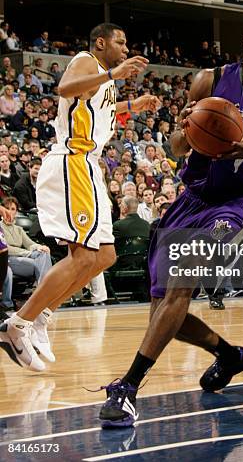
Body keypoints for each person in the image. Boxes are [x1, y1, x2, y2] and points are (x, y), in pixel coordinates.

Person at [98, 11, 243, 428]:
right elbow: (179, 146)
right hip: (190, 198)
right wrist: (185, 132)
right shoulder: (209, 80)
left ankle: (127, 388)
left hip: (237, 205)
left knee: (180, 284)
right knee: (164, 311)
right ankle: (230, 355)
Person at [0, 23, 160, 372]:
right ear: (101, 42)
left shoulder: (103, 78)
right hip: (72, 161)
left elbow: (99, 109)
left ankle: (41, 316)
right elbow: (65, 88)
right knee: (83, 254)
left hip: (89, 165)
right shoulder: (87, 61)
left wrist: (132, 105)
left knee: (103, 256)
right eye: (120, 41)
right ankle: (18, 323)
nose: (124, 47)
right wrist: (114, 74)